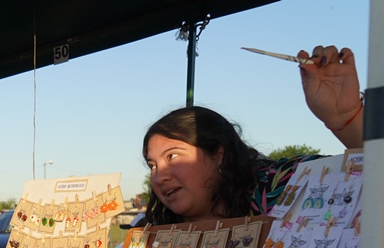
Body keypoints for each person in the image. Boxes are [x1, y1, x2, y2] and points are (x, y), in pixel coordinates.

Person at [143, 44, 365, 225]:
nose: (159, 177)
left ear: (218, 154)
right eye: (152, 165)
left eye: (172, 156)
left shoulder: (279, 186)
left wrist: (345, 118)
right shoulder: (151, 234)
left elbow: (376, 176)